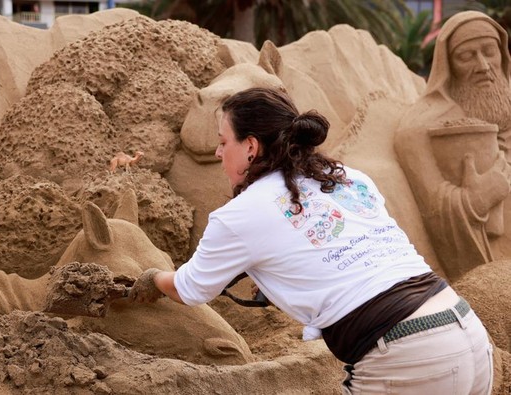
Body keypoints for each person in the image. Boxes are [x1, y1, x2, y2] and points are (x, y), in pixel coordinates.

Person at [130, 87, 494, 394]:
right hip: (466, 331)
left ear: (251, 147)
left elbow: (191, 289)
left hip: (407, 354)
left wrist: (154, 278)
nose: (218, 153)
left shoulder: (239, 214)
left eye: (224, 142)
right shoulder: (351, 177)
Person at [395, 11, 511, 281]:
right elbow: (435, 207)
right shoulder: (420, 127)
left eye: (489, 52)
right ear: (448, 64)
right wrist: (478, 199)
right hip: (493, 280)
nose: (483, 65)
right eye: (466, 56)